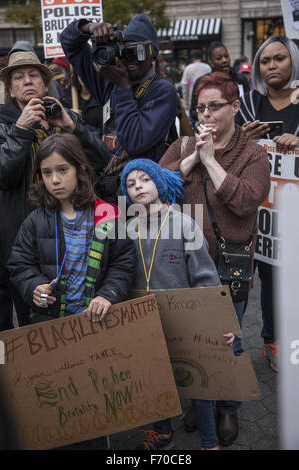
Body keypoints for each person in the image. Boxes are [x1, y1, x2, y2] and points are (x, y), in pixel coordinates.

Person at [159, 71, 271, 446]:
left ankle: (226, 408)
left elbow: (245, 201)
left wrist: (212, 162)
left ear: (235, 107)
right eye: (199, 107)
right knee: (191, 339)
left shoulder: (253, 153)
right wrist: (191, 159)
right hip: (183, 265)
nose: (205, 115)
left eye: (214, 107)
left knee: (228, 341)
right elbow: (154, 188)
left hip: (229, 266)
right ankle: (201, 399)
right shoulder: (182, 144)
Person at [6, 132, 135, 449]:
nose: (54, 180)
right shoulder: (35, 221)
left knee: (93, 406)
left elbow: (123, 262)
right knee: (57, 407)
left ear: (80, 168)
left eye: (62, 169)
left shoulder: (106, 214)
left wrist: (108, 295)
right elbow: (19, 265)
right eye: (46, 173)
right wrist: (34, 286)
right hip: (52, 331)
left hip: (94, 329)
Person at [120, 158, 235, 450]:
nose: (138, 187)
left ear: (159, 183)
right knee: (155, 377)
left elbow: (206, 277)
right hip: (145, 321)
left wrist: (218, 322)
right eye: (131, 184)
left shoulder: (185, 223)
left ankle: (210, 442)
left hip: (186, 322)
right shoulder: (127, 229)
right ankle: (162, 432)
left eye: (144, 179)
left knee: (198, 381)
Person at [0, 48, 111, 331]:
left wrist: (72, 126)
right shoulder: (3, 125)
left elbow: (101, 161)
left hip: (66, 238)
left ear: (45, 85)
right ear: (10, 90)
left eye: (34, 75)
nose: (27, 82)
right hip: (15, 242)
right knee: (19, 328)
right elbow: (3, 174)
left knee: (61, 322)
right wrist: (21, 130)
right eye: (19, 78)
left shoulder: (62, 118)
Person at [60, 14, 178, 201]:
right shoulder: (109, 81)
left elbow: (135, 142)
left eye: (136, 51)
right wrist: (90, 27)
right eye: (124, 52)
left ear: (151, 53)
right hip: (107, 190)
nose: (129, 59)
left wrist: (123, 88)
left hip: (141, 194)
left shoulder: (162, 90)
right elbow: (69, 42)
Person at [235, 36, 299, 372]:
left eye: (279, 59)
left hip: (289, 212)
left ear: (294, 63)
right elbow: (223, 153)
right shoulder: (247, 103)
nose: (271, 66)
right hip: (250, 209)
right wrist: (240, 140)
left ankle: (283, 340)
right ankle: (246, 345)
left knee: (284, 278)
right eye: (264, 61)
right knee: (248, 278)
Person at [189, 42, 250, 126]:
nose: (224, 60)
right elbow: (193, 111)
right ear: (211, 62)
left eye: (226, 56)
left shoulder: (241, 79)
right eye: (219, 58)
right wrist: (210, 116)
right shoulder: (202, 82)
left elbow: (249, 106)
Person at [181, 50, 211, 117]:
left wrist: (185, 102)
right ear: (201, 57)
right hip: (207, 98)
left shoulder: (188, 68)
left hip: (193, 100)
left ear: (192, 58)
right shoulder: (207, 67)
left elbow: (184, 87)